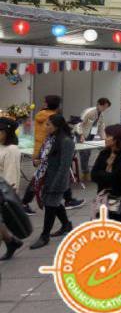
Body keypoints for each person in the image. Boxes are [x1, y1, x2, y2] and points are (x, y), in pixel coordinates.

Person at [24, 95, 83, 214]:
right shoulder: (54, 118)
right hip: (49, 150)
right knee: (45, 176)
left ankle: (67, 199)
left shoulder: (40, 115)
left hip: (41, 149)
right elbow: (61, 132)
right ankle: (25, 202)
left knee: (40, 176)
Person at [30, 114, 75, 249]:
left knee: (50, 206)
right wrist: (36, 161)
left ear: (57, 126)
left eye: (48, 124)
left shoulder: (66, 141)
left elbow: (64, 166)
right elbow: (42, 156)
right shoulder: (50, 138)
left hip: (57, 179)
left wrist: (56, 184)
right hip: (45, 176)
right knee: (53, 203)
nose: (46, 126)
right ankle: (66, 224)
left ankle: (45, 236)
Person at [90, 124, 121, 222]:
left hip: (119, 200)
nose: (105, 138)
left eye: (108, 136)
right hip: (102, 198)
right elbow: (93, 175)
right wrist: (106, 175)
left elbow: (116, 178)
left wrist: (102, 174)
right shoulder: (104, 153)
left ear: (117, 139)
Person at [0, 118, 23, 260]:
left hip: (3, 192)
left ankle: (11, 242)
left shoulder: (12, 149)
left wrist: (7, 195)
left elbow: (11, 175)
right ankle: (11, 242)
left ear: (7, 132)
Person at [74, 97, 111, 177]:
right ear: (98, 104)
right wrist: (81, 135)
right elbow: (79, 124)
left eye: (106, 107)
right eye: (104, 106)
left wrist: (104, 138)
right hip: (82, 134)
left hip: (90, 135)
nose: (105, 109)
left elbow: (101, 127)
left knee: (88, 153)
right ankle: (85, 172)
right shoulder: (89, 112)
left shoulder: (101, 114)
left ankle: (87, 171)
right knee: (84, 153)